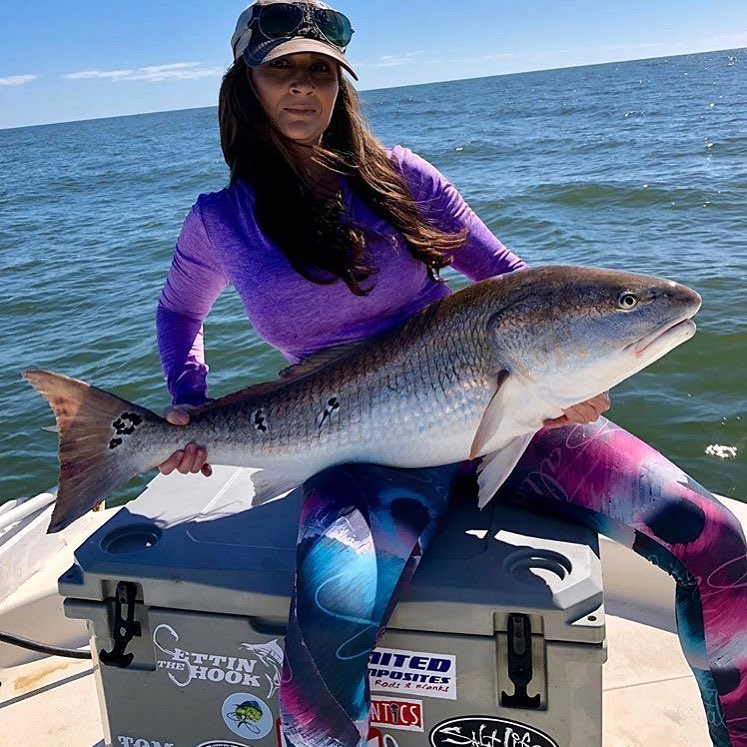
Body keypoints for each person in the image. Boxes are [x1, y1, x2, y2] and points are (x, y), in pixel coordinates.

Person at [155, 2, 747, 745]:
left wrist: (574, 376)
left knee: (716, 536)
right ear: (245, 87)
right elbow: (178, 313)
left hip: (510, 407)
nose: (303, 88)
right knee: (321, 651)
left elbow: (513, 285)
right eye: (282, 70)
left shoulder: (400, 175)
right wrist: (187, 399)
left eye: (320, 72)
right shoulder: (220, 221)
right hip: (359, 446)